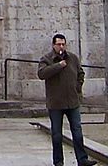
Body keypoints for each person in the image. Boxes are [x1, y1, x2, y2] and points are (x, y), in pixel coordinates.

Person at [38, 33, 94, 166]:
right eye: (58, 44)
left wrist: (78, 87)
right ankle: (58, 161)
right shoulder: (46, 59)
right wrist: (58, 66)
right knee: (57, 134)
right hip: (56, 103)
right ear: (53, 45)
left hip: (72, 102)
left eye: (63, 44)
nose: (61, 46)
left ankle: (82, 159)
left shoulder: (73, 58)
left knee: (77, 131)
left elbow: (80, 73)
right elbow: (41, 74)